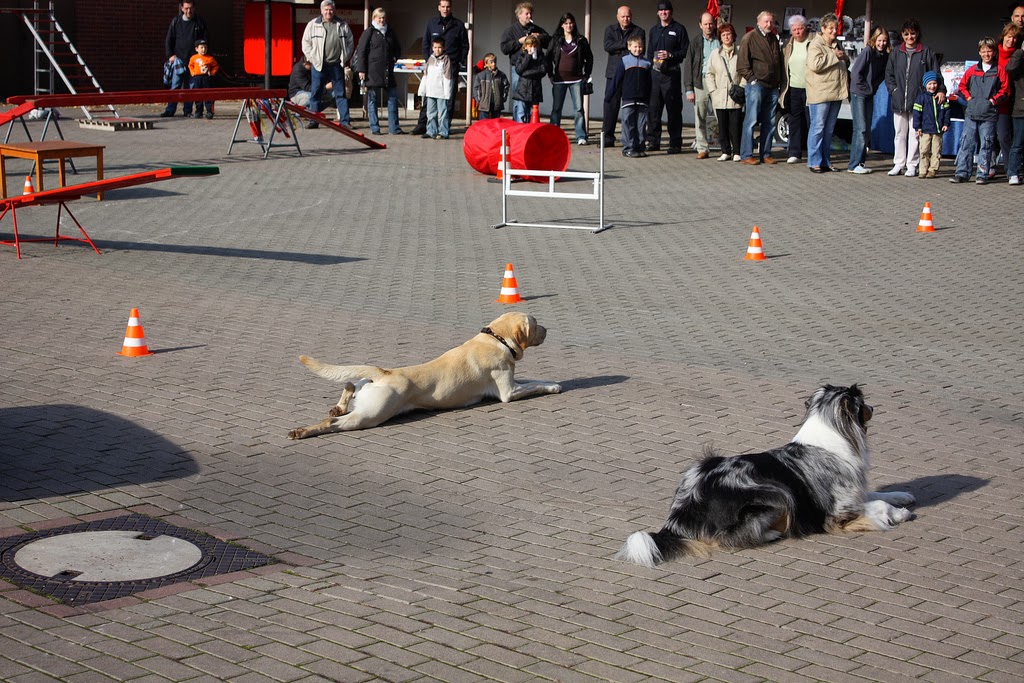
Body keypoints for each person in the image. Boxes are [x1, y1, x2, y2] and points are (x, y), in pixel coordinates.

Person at [884, 19, 943, 177]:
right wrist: (894, 90)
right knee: (899, 133)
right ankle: (898, 163)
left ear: (917, 34)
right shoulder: (896, 52)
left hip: (919, 101)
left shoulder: (926, 52)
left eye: (913, 33)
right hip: (899, 100)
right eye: (906, 34)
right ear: (902, 35)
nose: (910, 37)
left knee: (915, 134)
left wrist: (941, 90)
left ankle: (912, 165)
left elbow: (936, 73)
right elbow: (889, 74)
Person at [951, 37, 1010, 184]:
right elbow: (962, 87)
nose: (986, 54)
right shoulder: (972, 70)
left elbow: (1006, 90)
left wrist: (992, 101)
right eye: (983, 51)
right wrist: (969, 98)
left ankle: (982, 175)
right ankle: (962, 173)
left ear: (994, 52)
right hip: (971, 114)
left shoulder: (999, 70)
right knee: (966, 144)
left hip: (989, 115)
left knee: (986, 145)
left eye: (989, 51)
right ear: (979, 52)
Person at [412, 0, 468, 136]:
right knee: (430, 96)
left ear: (451, 8)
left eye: (447, 7)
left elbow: (465, 46)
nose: (445, 9)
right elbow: (425, 43)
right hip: (433, 66)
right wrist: (429, 59)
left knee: (448, 97)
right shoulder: (432, 23)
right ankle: (423, 126)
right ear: (439, 7)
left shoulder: (458, 25)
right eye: (443, 6)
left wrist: (459, 61)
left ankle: (444, 128)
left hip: (451, 66)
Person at [737, 10, 784, 165]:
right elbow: (742, 64)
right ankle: (746, 154)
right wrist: (752, 80)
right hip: (756, 86)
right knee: (751, 121)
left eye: (771, 22)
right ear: (758, 22)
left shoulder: (773, 38)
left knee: (769, 122)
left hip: (772, 86)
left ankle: (766, 153)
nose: (769, 24)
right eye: (766, 21)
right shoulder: (749, 38)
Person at [804, 13, 849, 173]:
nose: (834, 31)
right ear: (823, 28)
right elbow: (815, 65)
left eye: (836, 28)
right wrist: (834, 55)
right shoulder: (815, 44)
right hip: (820, 93)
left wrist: (844, 58)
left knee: (829, 130)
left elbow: (843, 64)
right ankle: (814, 161)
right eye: (830, 28)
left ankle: (825, 161)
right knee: (818, 128)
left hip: (836, 92)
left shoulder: (837, 44)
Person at [301, 0, 354, 129]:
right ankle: (314, 121)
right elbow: (305, 43)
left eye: (330, 10)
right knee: (316, 93)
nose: (328, 12)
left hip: (336, 64)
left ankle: (345, 122)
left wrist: (344, 57)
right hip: (319, 65)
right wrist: (313, 58)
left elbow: (350, 42)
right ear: (321, 11)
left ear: (334, 10)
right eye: (326, 10)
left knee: (341, 94)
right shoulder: (313, 25)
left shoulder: (342, 25)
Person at [645, 1, 689, 154]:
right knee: (653, 109)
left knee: (674, 110)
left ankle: (675, 143)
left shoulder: (679, 29)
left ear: (671, 12)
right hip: (656, 74)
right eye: (661, 10)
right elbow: (649, 53)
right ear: (658, 13)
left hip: (672, 74)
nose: (664, 13)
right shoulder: (654, 30)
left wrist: (670, 55)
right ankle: (653, 141)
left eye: (666, 10)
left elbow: (685, 51)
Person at [354, 8, 404, 136]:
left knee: (393, 98)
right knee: (372, 100)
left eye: (383, 18)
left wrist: (394, 57)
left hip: (387, 71)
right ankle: (375, 128)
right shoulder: (369, 32)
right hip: (372, 71)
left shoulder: (390, 32)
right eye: (379, 18)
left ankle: (394, 128)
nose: (381, 20)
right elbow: (361, 52)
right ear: (374, 18)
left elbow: (397, 48)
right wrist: (361, 70)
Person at [847, 26, 890, 174]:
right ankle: (854, 165)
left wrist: (873, 88)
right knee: (861, 128)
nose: (882, 44)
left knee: (866, 130)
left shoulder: (884, 56)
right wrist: (865, 87)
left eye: (884, 41)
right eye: (879, 40)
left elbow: (881, 75)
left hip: (869, 94)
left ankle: (860, 162)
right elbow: (855, 72)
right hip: (858, 93)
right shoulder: (867, 51)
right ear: (874, 39)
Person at [547, 12, 593, 145]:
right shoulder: (556, 40)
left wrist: (586, 75)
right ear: (562, 25)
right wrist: (550, 74)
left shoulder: (581, 40)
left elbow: (589, 58)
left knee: (578, 109)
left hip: (576, 80)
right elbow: (548, 57)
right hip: (559, 80)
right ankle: (554, 135)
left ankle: (581, 136)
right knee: (556, 109)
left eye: (571, 23)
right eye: (566, 23)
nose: (569, 25)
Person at [602, 7, 645, 148]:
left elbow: (640, 49)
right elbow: (607, 46)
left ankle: (632, 140)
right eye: (623, 16)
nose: (626, 19)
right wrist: (626, 44)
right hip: (613, 73)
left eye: (628, 16)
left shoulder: (638, 31)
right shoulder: (610, 30)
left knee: (630, 110)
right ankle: (608, 138)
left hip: (631, 75)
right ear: (617, 17)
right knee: (610, 107)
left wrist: (619, 47)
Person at [500, 3, 550, 123]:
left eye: (530, 13)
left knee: (533, 99)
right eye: (526, 13)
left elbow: (550, 42)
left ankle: (530, 124)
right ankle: (518, 124)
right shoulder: (511, 31)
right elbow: (504, 48)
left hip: (534, 69)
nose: (529, 16)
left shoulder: (536, 29)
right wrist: (519, 42)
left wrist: (541, 37)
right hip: (519, 69)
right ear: (519, 15)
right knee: (519, 98)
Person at [606, 34, 652, 158]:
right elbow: (616, 80)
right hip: (628, 98)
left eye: (640, 47)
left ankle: (639, 147)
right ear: (629, 47)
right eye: (635, 47)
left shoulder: (647, 63)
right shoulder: (624, 61)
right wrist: (609, 96)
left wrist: (649, 98)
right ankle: (628, 148)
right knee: (628, 123)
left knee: (641, 125)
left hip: (642, 100)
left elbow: (649, 83)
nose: (638, 49)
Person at [704, 23, 743, 162]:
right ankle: (725, 151)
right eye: (723, 35)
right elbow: (709, 74)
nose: (726, 37)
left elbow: (745, 71)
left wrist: (742, 87)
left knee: (735, 125)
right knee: (722, 125)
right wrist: (713, 90)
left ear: (733, 36)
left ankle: (737, 151)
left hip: (735, 96)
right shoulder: (715, 54)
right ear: (720, 37)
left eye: (729, 34)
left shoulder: (740, 52)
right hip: (720, 95)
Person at [162, 1, 208, 118]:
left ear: (194, 8)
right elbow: (169, 39)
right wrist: (170, 55)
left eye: (191, 8)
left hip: (194, 60)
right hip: (179, 59)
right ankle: (170, 110)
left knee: (190, 87)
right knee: (175, 86)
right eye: (186, 8)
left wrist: (203, 56)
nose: (189, 11)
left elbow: (206, 39)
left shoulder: (199, 22)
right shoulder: (176, 22)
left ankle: (187, 111)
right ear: (182, 8)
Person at [684, 12, 720, 159]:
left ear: (714, 24)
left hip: (718, 81)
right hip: (701, 81)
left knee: (721, 115)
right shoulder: (695, 42)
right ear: (700, 25)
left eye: (710, 23)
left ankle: (726, 146)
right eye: (705, 24)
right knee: (700, 117)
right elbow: (688, 66)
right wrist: (689, 89)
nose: (708, 26)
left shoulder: (720, 40)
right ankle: (702, 148)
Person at [780, 14, 810, 164]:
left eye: (800, 28)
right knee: (794, 121)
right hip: (793, 88)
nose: (797, 32)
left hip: (810, 88)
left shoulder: (812, 42)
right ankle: (794, 152)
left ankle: (813, 152)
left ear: (805, 28)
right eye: (794, 29)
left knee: (811, 121)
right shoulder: (788, 45)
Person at [995, 23, 1022, 174]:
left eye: (1015, 38)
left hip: (1013, 100)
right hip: (996, 100)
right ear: (1003, 36)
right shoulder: (994, 52)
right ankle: (990, 167)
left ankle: (1010, 169)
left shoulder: (1018, 55)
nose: (1011, 40)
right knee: (995, 136)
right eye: (1009, 37)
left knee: (1007, 136)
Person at [913, 71, 951, 178]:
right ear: (925, 85)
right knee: (924, 150)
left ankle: (933, 170)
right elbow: (917, 114)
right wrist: (918, 127)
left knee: (936, 151)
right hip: (925, 130)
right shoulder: (921, 98)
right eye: (929, 84)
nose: (932, 86)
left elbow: (947, 111)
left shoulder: (941, 98)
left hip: (937, 130)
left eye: (934, 83)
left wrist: (946, 124)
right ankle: (922, 170)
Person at [419, 37, 454, 140]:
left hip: (441, 92)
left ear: (443, 48)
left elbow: (447, 77)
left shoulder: (446, 59)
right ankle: (431, 131)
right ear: (432, 48)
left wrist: (447, 92)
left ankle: (443, 132)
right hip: (431, 91)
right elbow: (426, 75)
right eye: (435, 47)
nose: (437, 49)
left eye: (439, 47)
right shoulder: (430, 59)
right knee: (430, 113)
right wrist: (422, 89)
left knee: (442, 113)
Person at [512, 34, 546, 123]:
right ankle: (521, 130)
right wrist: (528, 56)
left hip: (535, 90)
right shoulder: (522, 55)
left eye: (534, 46)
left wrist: (526, 73)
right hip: (523, 90)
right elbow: (519, 70)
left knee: (532, 114)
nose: (532, 48)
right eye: (530, 46)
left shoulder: (540, 56)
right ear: (526, 46)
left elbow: (543, 71)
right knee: (521, 113)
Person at [1006, 41, 1024, 184]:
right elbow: (1010, 68)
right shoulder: (1019, 64)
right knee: (1018, 143)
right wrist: (1021, 51)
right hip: (1021, 109)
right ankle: (1013, 173)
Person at [187, 39, 218, 119]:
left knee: (208, 94)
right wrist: (192, 72)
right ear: (196, 49)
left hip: (206, 77)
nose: (203, 49)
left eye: (205, 48)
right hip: (197, 78)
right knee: (198, 94)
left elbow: (215, 66)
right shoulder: (193, 58)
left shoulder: (210, 58)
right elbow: (190, 65)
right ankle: (198, 111)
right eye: (201, 47)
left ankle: (209, 111)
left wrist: (212, 73)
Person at [473, 53, 510, 120]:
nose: (494, 64)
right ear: (486, 64)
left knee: (495, 123)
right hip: (484, 104)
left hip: (497, 104)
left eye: (495, 62)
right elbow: (476, 88)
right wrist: (479, 100)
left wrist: (503, 98)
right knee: (484, 123)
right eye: (491, 62)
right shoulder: (480, 76)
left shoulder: (501, 75)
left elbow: (506, 86)